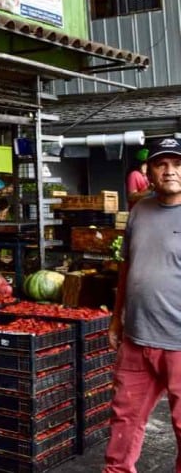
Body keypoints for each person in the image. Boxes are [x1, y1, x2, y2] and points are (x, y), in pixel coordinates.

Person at [105, 136, 181, 473]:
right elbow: (126, 268)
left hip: (179, 343)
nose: (170, 172)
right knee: (123, 422)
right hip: (136, 338)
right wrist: (116, 320)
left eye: (178, 165)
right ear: (148, 170)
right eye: (162, 164)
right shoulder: (139, 211)